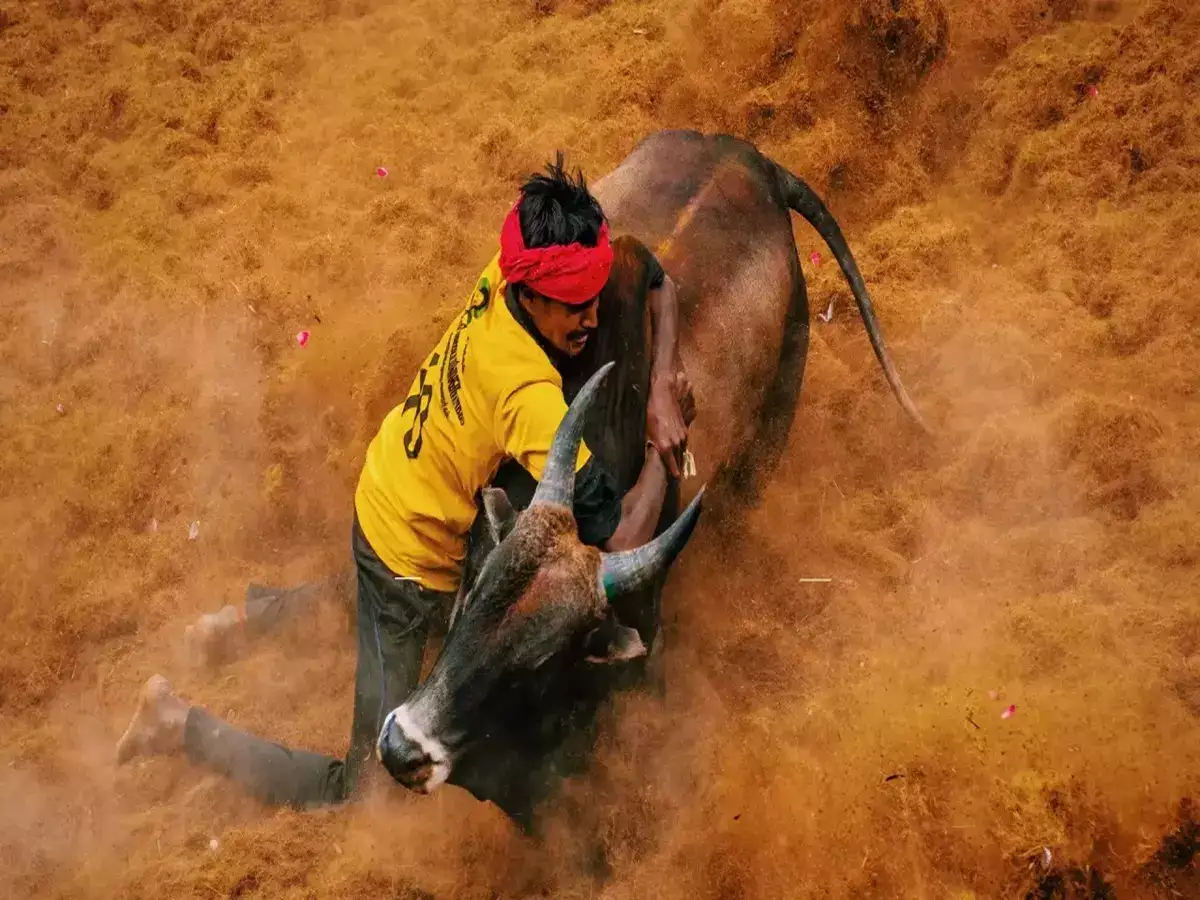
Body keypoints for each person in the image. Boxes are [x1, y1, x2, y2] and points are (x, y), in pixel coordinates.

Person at [116, 154, 695, 812]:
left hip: (395, 481)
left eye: (595, 297)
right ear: (531, 292)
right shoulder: (528, 399)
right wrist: (661, 449)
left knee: (382, 586)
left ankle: (245, 620)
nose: (591, 318)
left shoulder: (504, 273)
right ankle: (176, 724)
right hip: (410, 557)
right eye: (572, 306)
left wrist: (662, 382)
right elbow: (617, 536)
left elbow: (650, 273)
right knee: (362, 794)